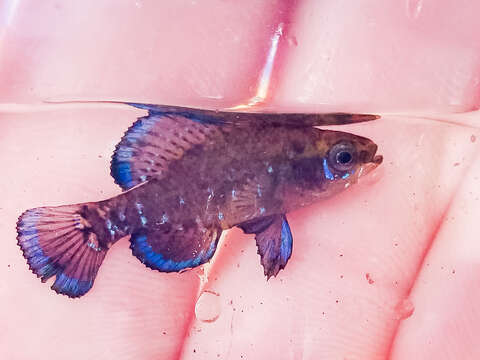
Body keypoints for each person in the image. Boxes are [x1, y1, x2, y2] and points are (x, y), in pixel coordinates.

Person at [1, 1, 479, 359]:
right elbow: (263, 210)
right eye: (342, 158)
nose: (357, 162)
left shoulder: (286, 179)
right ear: (301, 169)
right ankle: (96, 229)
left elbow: (265, 211)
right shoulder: (281, 175)